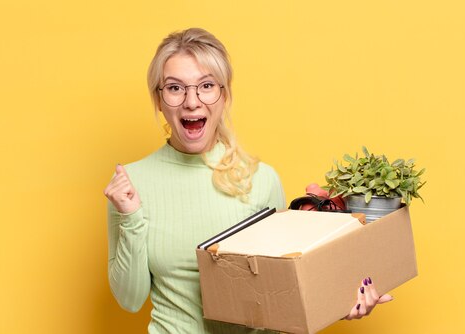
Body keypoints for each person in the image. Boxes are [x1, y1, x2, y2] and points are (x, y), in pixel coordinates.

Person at [104, 28, 392, 333]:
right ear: (159, 99)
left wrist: (335, 300)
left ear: (224, 95)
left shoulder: (261, 180)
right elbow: (130, 300)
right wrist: (131, 218)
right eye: (175, 88)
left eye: (206, 86)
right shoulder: (130, 185)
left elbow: (281, 300)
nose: (192, 101)